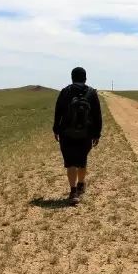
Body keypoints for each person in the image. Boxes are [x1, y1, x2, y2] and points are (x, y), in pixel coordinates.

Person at [53, 67, 102, 205]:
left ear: (72, 78)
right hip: (86, 133)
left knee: (70, 162)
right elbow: (97, 115)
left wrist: (56, 130)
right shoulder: (91, 93)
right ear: (85, 78)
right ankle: (81, 184)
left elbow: (58, 112)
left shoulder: (65, 92)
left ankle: (73, 191)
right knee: (82, 160)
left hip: (66, 133)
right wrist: (97, 134)